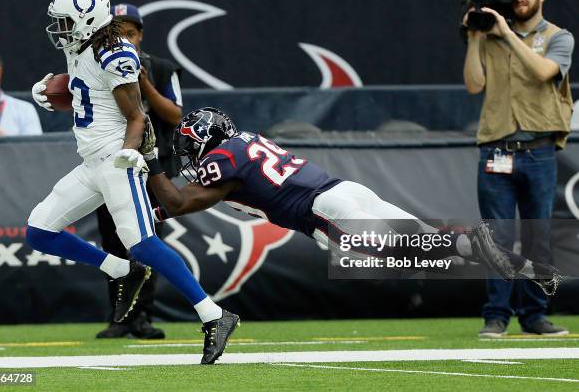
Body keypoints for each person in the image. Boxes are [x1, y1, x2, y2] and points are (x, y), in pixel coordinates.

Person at [26, 0, 238, 364]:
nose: (59, 30)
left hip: (116, 160)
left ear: (88, 20)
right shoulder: (84, 48)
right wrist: (52, 96)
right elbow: (88, 101)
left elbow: (137, 115)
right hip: (92, 164)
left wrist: (128, 153)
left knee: (142, 242)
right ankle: (122, 270)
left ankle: (214, 315)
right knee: (39, 230)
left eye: (66, 22)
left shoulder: (115, 53)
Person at [141, 107, 560, 296]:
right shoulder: (246, 141)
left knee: (405, 253)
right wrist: (154, 207)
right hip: (348, 191)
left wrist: (152, 163)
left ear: (208, 142)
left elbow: (180, 203)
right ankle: (528, 268)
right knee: (430, 244)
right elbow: (191, 197)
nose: (190, 155)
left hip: (324, 211)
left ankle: (469, 239)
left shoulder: (221, 162)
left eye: (191, 146)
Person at [462, 0, 573, 337]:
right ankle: (495, 316)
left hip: (539, 151)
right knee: (497, 238)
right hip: (495, 147)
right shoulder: (490, 37)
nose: (518, 0)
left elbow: (544, 72)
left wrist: (507, 34)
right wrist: (477, 37)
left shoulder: (559, 37)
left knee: (537, 235)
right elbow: (474, 85)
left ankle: (535, 316)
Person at [94, 3, 183, 340]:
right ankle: (118, 317)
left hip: (151, 168)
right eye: (117, 33)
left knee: (146, 241)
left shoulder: (161, 68)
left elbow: (175, 116)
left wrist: (145, 84)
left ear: (141, 34)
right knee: (112, 243)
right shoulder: (97, 65)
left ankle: (143, 315)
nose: (125, 40)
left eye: (130, 33)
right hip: (108, 163)